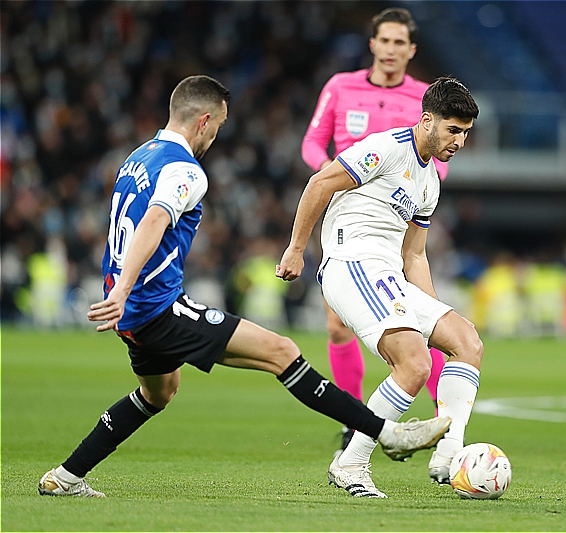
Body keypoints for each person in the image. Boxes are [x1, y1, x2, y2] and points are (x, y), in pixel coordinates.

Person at [37, 75, 451, 498]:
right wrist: (124, 288)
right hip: (153, 307)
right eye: (218, 125)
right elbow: (155, 219)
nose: (216, 135)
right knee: (282, 352)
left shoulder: (139, 157)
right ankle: (386, 433)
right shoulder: (186, 171)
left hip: (134, 311)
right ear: (203, 121)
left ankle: (65, 477)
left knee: (159, 392)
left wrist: (120, 289)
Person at [278, 76, 481, 498]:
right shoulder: (386, 148)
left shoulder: (430, 182)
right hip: (351, 264)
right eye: (453, 130)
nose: (459, 141)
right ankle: (351, 463)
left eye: (465, 133)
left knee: (465, 341)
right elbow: (319, 183)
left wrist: (434, 313)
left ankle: (450, 452)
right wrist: (296, 249)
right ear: (427, 121)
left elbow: (415, 256)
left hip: (387, 273)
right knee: (414, 364)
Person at [301, 7, 450, 456]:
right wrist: (332, 172)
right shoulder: (340, 86)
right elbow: (312, 142)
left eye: (399, 43)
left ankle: (444, 418)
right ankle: (355, 424)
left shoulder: (424, 97)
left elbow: (441, 154)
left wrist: (428, 181)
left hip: (403, 217)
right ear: (372, 44)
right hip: (347, 214)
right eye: (383, 41)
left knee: (425, 313)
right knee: (338, 326)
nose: (390, 50)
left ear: (411, 50)